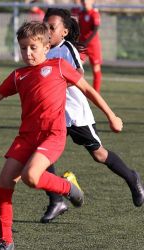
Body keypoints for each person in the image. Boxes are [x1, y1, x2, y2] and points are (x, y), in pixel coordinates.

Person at [0, 22, 123, 250]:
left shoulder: (59, 66)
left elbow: (88, 90)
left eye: (32, 47)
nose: (27, 53)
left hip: (52, 134)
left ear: (46, 47)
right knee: (3, 184)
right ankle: (5, 242)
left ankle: (68, 188)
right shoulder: (18, 75)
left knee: (31, 177)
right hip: (26, 137)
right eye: (23, 48)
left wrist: (111, 116)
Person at [40, 8, 144, 223]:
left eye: (52, 27)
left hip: (75, 114)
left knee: (99, 155)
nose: (48, 31)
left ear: (65, 32)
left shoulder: (67, 49)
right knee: (43, 155)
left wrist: (59, 82)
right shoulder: (42, 48)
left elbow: (78, 74)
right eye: (45, 26)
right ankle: (56, 200)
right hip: (52, 114)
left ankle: (131, 177)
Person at [77, 0, 103, 92]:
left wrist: (85, 42)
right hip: (82, 46)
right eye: (83, 0)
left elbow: (95, 30)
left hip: (93, 46)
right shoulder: (80, 13)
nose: (85, 2)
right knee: (76, 67)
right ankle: (78, 90)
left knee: (96, 69)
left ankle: (96, 92)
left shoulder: (94, 14)